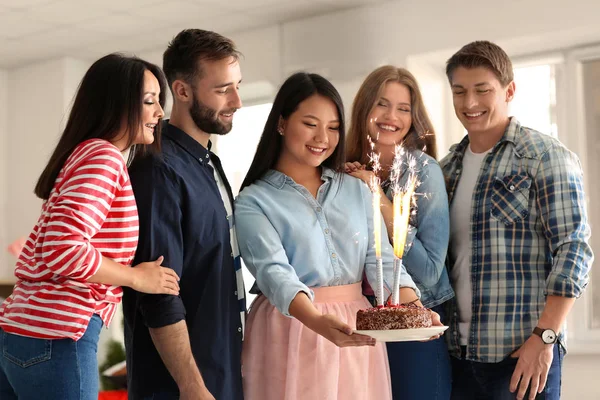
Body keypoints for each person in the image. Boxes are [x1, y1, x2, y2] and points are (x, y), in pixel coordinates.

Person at [235, 72, 438, 400]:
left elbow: (381, 260)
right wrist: (316, 321)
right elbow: (275, 274)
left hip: (356, 327)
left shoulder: (356, 188)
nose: (322, 138)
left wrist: (416, 310)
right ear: (282, 123)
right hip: (291, 327)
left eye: (332, 127)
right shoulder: (253, 201)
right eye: (310, 123)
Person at [0, 53, 179, 400]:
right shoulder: (104, 157)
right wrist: (136, 277)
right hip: (57, 337)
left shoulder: (84, 154)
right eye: (149, 101)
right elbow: (62, 247)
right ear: (117, 104)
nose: (159, 113)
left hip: (22, 332)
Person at [440, 40, 593, 400]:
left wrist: (545, 338)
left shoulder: (545, 157)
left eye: (482, 90)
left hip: (522, 355)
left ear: (509, 90)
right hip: (457, 357)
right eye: (459, 92)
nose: (470, 103)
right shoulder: (446, 170)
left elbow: (574, 250)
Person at [123, 29, 245, 400]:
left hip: (221, 370)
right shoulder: (157, 170)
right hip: (181, 386)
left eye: (238, 85)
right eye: (223, 89)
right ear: (182, 91)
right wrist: (191, 384)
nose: (237, 101)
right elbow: (159, 293)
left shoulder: (209, 164)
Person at [345, 65, 454, 399]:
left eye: (403, 108)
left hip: (415, 324)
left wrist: (378, 197)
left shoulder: (423, 171)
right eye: (381, 104)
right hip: (359, 322)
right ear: (364, 108)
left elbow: (430, 271)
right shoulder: (343, 168)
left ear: (413, 117)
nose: (391, 116)